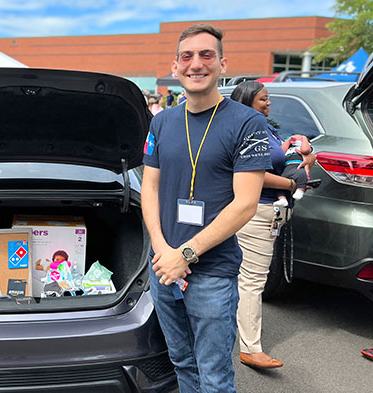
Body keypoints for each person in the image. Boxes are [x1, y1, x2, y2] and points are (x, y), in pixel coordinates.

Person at [141, 24, 272, 392]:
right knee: (182, 363)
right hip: (164, 267)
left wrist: (187, 252)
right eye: (187, 56)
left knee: (214, 377)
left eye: (206, 55)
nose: (195, 64)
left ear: (222, 64)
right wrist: (163, 249)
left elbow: (245, 203)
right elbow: (150, 187)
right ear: (175, 66)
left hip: (211, 273)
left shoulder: (248, 123)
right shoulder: (162, 121)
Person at [230, 80, 315, 369]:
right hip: (257, 211)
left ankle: (226, 332)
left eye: (268, 99)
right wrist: (292, 183)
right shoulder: (246, 131)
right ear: (248, 101)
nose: (269, 103)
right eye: (263, 99)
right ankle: (250, 348)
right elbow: (253, 174)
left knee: (241, 277)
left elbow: (286, 159)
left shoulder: (265, 127)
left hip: (269, 212)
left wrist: (305, 154)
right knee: (252, 280)